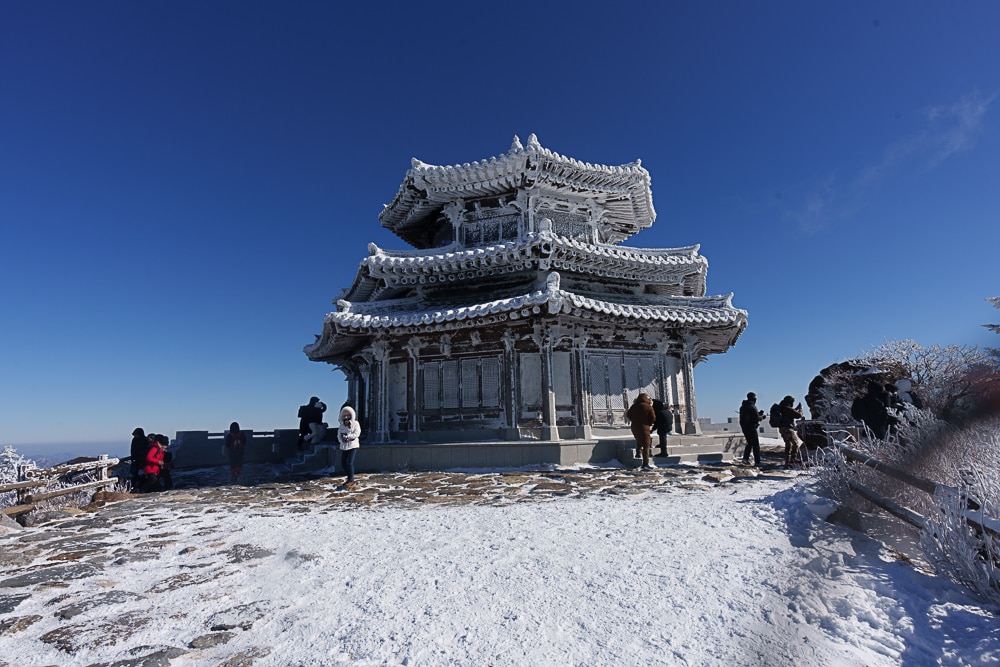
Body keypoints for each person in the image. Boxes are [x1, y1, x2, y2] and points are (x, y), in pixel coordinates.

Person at [626, 393, 656, 470]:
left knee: (639, 439)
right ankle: (645, 463)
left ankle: (638, 452)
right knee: (646, 444)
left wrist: (634, 420)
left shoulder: (634, 407)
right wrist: (648, 423)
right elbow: (653, 417)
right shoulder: (648, 407)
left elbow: (628, 415)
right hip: (644, 426)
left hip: (635, 426)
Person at [337, 405, 362, 489]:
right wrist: (342, 440)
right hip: (344, 446)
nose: (346, 417)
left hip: (353, 445)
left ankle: (351, 479)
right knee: (343, 463)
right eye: (344, 416)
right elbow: (338, 435)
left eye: (348, 415)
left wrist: (348, 437)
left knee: (349, 462)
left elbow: (357, 433)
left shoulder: (355, 423)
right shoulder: (341, 425)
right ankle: (349, 476)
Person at [739, 392, 765, 467]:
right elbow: (756, 418)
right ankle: (757, 462)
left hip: (744, 427)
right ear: (754, 398)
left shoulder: (743, 406)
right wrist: (762, 417)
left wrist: (758, 414)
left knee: (750, 443)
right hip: (752, 428)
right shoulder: (752, 406)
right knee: (756, 445)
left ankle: (745, 459)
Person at [777, 395, 804, 467]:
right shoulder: (787, 408)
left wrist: (795, 409)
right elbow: (798, 415)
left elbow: (790, 413)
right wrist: (800, 410)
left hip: (782, 428)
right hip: (787, 428)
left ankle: (788, 461)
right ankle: (793, 459)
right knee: (795, 443)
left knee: (789, 444)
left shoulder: (782, 407)